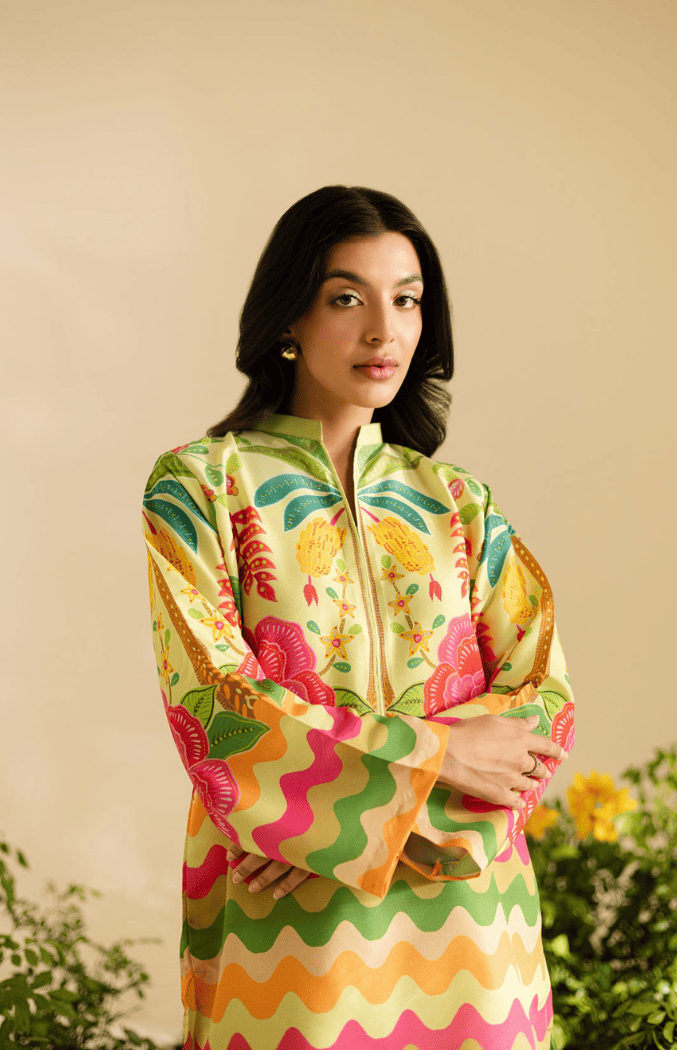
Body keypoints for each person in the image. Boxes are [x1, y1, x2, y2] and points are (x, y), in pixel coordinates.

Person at [142, 185, 574, 1050]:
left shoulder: (460, 505)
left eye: (407, 300)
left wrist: (326, 814)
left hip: (476, 939)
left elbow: (541, 708)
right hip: (293, 945)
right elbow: (217, 705)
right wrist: (443, 756)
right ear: (289, 316)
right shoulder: (200, 486)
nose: (385, 330)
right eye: (348, 298)